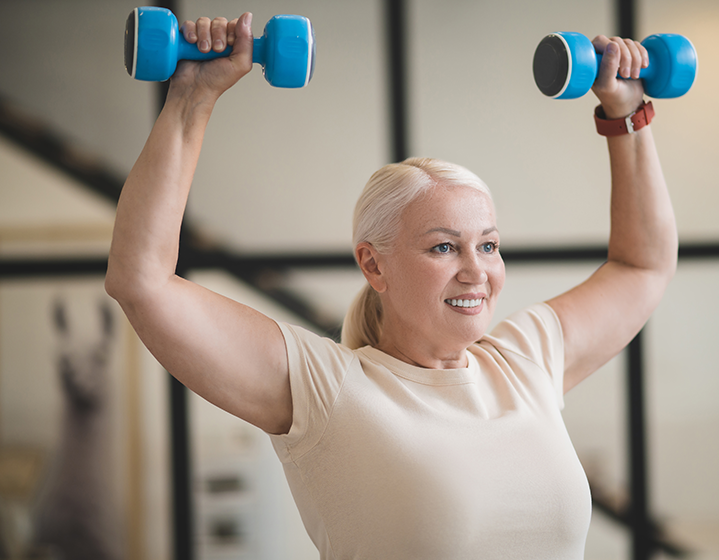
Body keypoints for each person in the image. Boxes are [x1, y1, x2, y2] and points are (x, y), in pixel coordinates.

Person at [106, 12, 677, 560]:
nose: (476, 269)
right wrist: (191, 99)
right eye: (443, 247)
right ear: (374, 266)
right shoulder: (328, 391)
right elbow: (143, 282)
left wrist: (626, 114)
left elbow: (641, 266)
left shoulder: (526, 362)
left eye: (489, 244)